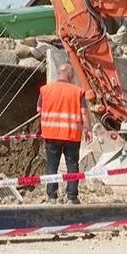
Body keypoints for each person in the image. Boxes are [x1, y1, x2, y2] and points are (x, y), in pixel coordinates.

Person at [37, 64, 90, 204]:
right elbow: (84, 112)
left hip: (52, 134)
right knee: (72, 165)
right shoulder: (78, 92)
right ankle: (72, 197)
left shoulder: (45, 90)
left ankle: (51, 196)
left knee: (52, 165)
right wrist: (88, 129)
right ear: (70, 75)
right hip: (72, 135)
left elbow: (38, 109)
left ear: (58, 73)